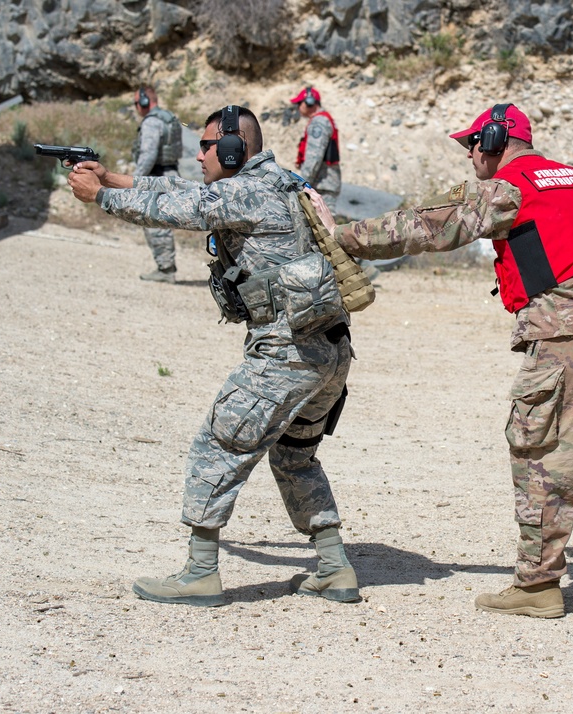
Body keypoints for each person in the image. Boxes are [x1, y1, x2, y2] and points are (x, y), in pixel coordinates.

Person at [309, 103, 573, 618]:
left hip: (569, 329)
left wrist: (342, 236)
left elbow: (425, 228)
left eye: (472, 143)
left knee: (541, 449)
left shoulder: (510, 185)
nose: (469, 153)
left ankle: (538, 585)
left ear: (495, 139)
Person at [68, 105, 360, 607]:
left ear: (232, 149)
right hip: (329, 351)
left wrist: (103, 198)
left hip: (285, 354)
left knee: (217, 445)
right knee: (294, 456)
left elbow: (178, 211)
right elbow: (187, 193)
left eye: (206, 147)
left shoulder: (245, 191)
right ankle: (334, 568)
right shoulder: (276, 181)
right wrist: (114, 177)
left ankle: (200, 572)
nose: (198, 154)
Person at [131, 86, 183, 283]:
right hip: (167, 173)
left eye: (137, 103)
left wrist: (135, 180)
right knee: (157, 221)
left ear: (145, 101)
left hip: (156, 176)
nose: (136, 107)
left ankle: (166, 269)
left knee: (154, 222)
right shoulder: (168, 117)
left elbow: (148, 154)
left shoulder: (152, 122)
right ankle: (165, 266)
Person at [291, 86, 341, 208]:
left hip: (321, 185)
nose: (298, 106)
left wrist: (302, 184)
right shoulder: (322, 119)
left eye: (299, 103)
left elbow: (314, 157)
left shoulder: (319, 122)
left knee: (324, 225)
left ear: (309, 102)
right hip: (322, 184)